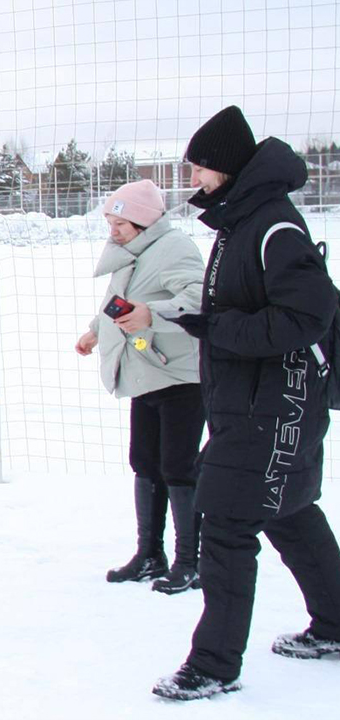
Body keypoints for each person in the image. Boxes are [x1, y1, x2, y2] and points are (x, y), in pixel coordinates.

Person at [153, 106, 340, 701]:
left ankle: (213, 665)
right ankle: (336, 625)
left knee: (228, 526)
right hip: (259, 404)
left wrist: (218, 329)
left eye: (201, 169)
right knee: (289, 511)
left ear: (228, 169)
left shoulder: (272, 227)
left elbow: (309, 314)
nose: (195, 182)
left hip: (272, 405)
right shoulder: (244, 222)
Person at [76, 179, 206, 595]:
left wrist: (153, 313)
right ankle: (150, 554)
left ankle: (190, 562)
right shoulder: (133, 253)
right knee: (144, 463)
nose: (112, 230)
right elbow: (117, 301)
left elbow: (200, 298)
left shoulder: (174, 248)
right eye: (110, 222)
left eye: (119, 222)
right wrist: (96, 331)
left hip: (180, 377)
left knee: (178, 468)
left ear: (143, 220)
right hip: (145, 372)